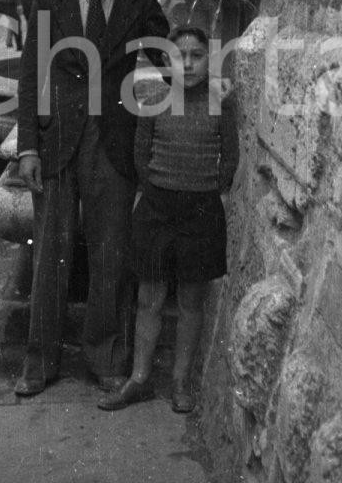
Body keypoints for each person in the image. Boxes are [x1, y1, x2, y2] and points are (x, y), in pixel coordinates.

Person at [15, 0, 170, 396]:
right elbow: (31, 74)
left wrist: (200, 82)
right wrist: (28, 147)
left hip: (113, 146)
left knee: (111, 255)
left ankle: (105, 357)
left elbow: (169, 64)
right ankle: (39, 362)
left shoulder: (141, 2)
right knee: (50, 256)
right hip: (57, 142)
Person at [98, 26, 239, 414]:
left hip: (200, 208)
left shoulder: (220, 102)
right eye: (180, 56)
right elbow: (141, 154)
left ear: (208, 60)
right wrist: (160, 185)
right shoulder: (155, 99)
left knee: (192, 299)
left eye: (197, 55)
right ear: (167, 61)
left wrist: (206, 187)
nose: (189, 63)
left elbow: (230, 158)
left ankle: (181, 382)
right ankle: (139, 379)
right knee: (150, 297)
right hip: (158, 208)